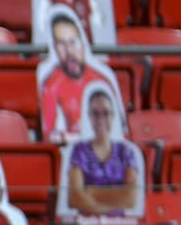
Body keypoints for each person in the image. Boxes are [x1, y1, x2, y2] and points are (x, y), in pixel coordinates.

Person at [37, 8, 120, 141]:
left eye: (73, 42)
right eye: (61, 44)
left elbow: (120, 129)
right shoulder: (51, 85)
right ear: (54, 47)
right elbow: (49, 136)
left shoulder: (102, 80)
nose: (69, 51)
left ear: (83, 43)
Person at [63, 83, 141, 219]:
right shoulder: (79, 150)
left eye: (106, 113)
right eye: (96, 114)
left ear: (113, 116)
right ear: (89, 116)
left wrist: (90, 192)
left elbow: (130, 198)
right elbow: (74, 197)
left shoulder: (126, 152)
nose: (101, 119)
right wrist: (112, 201)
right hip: (87, 223)